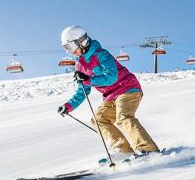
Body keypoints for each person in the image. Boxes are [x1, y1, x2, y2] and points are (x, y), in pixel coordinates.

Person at [57, 25, 160, 161]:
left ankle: (148, 149)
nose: (71, 52)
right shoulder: (80, 65)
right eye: (67, 49)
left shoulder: (101, 54)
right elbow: (83, 90)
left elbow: (112, 77)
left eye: (70, 47)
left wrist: (88, 79)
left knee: (123, 116)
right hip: (111, 96)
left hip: (127, 89)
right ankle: (123, 150)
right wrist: (68, 106)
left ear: (81, 41)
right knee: (99, 119)